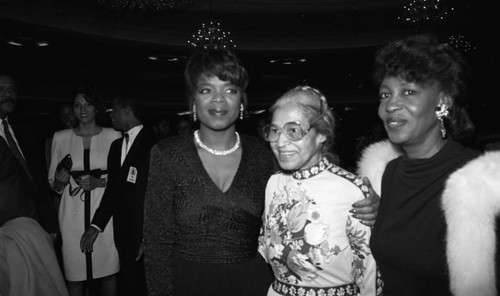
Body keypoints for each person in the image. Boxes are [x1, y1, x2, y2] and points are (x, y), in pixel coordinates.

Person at [143, 48, 379, 296]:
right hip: (187, 283)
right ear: (193, 100)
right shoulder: (167, 153)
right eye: (206, 90)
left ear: (242, 101)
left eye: (230, 90)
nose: (218, 99)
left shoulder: (265, 154)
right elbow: (157, 240)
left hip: (251, 283)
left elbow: (313, 185)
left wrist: (369, 202)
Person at [357, 34, 500, 296]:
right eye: (385, 95)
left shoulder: (481, 182)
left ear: (443, 102)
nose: (391, 105)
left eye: (408, 92)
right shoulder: (386, 175)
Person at [259, 86, 381, 296]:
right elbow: (265, 247)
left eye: (293, 130)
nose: (280, 142)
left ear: (322, 134)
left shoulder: (351, 191)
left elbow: (369, 275)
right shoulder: (273, 184)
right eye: (275, 130)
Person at [48, 85, 121, 296]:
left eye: (87, 104)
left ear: (96, 107)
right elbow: (54, 182)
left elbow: (123, 181)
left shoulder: (113, 136)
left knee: (108, 273)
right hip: (71, 217)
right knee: (74, 276)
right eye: (77, 105)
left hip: (105, 214)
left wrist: (100, 183)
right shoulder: (60, 138)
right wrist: (60, 183)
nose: (82, 109)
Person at [80, 93, 155, 296]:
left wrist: (149, 236)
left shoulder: (154, 144)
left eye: (114, 110)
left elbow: (158, 196)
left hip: (145, 234)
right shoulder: (115, 147)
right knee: (130, 285)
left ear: (127, 111)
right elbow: (113, 190)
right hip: (122, 233)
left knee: (150, 286)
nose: (111, 115)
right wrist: (96, 225)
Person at [0, 74, 58, 234]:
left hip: (32, 224)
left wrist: (50, 224)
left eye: (12, 90)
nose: (8, 94)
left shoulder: (25, 132)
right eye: (2, 90)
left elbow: (38, 179)